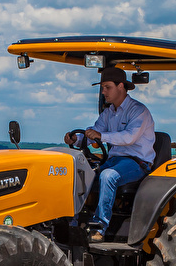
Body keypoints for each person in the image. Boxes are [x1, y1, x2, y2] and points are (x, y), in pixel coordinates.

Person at [64, 66, 155, 241]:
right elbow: (94, 134)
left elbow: (129, 137)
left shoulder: (138, 111)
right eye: (102, 88)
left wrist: (101, 136)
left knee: (108, 176)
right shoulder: (109, 113)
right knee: (82, 174)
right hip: (114, 159)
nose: (104, 92)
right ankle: (72, 221)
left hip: (136, 162)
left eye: (107, 87)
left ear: (121, 86)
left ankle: (99, 227)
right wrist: (75, 139)